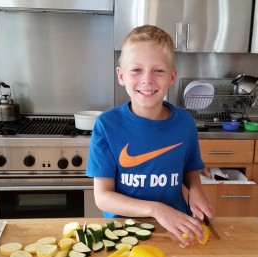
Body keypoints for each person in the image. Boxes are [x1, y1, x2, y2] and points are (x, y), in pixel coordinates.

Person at [86, 24, 213, 245]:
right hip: (124, 232)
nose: (147, 79)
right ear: (121, 75)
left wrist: (196, 189)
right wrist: (156, 209)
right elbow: (103, 197)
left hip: (176, 228)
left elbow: (190, 169)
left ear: (172, 77)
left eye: (159, 70)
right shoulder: (107, 124)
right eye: (136, 70)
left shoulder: (184, 122)